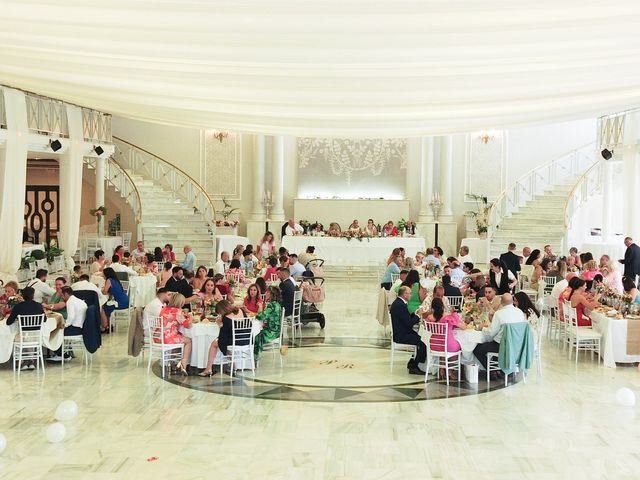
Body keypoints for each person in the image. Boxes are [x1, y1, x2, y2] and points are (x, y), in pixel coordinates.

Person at [472, 293, 526, 373]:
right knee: (492, 343)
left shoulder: (499, 314)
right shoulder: (520, 312)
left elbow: (491, 333)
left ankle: (492, 371)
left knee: (477, 349)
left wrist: (482, 328)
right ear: (512, 301)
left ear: (501, 302)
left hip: (502, 346)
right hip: (517, 344)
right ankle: (499, 369)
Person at [198, 299, 245, 376]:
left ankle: (208, 368)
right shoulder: (241, 310)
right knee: (224, 344)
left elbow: (223, 335)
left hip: (234, 340)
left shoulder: (226, 318)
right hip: (245, 339)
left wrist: (220, 324)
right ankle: (234, 365)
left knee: (214, 344)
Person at [390, 286, 426, 375]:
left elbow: (406, 318)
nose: (411, 295)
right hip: (401, 335)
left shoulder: (399, 303)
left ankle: (412, 362)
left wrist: (415, 314)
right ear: (405, 294)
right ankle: (414, 365)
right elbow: (409, 323)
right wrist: (418, 316)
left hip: (403, 331)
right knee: (424, 342)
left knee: (421, 338)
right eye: (410, 293)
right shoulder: (400, 305)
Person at [156, 293, 192, 375]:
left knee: (179, 337)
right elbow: (188, 325)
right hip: (168, 338)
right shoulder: (177, 312)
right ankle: (184, 362)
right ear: (181, 303)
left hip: (158, 336)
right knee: (188, 341)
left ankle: (173, 363)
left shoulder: (164, 309)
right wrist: (190, 318)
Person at [49, 287, 89, 361]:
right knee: (58, 330)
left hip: (75, 328)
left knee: (54, 332)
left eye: (62, 295)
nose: (61, 297)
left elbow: (71, 318)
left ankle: (61, 354)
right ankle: (62, 353)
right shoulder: (79, 301)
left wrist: (64, 326)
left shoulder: (70, 302)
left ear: (66, 294)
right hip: (81, 327)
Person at [253, 286, 283, 359]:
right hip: (275, 329)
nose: (265, 293)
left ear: (271, 294)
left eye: (267, 292)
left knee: (256, 336)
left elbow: (261, 316)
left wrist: (259, 308)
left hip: (273, 332)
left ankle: (255, 358)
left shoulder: (271, 305)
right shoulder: (277, 304)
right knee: (257, 333)